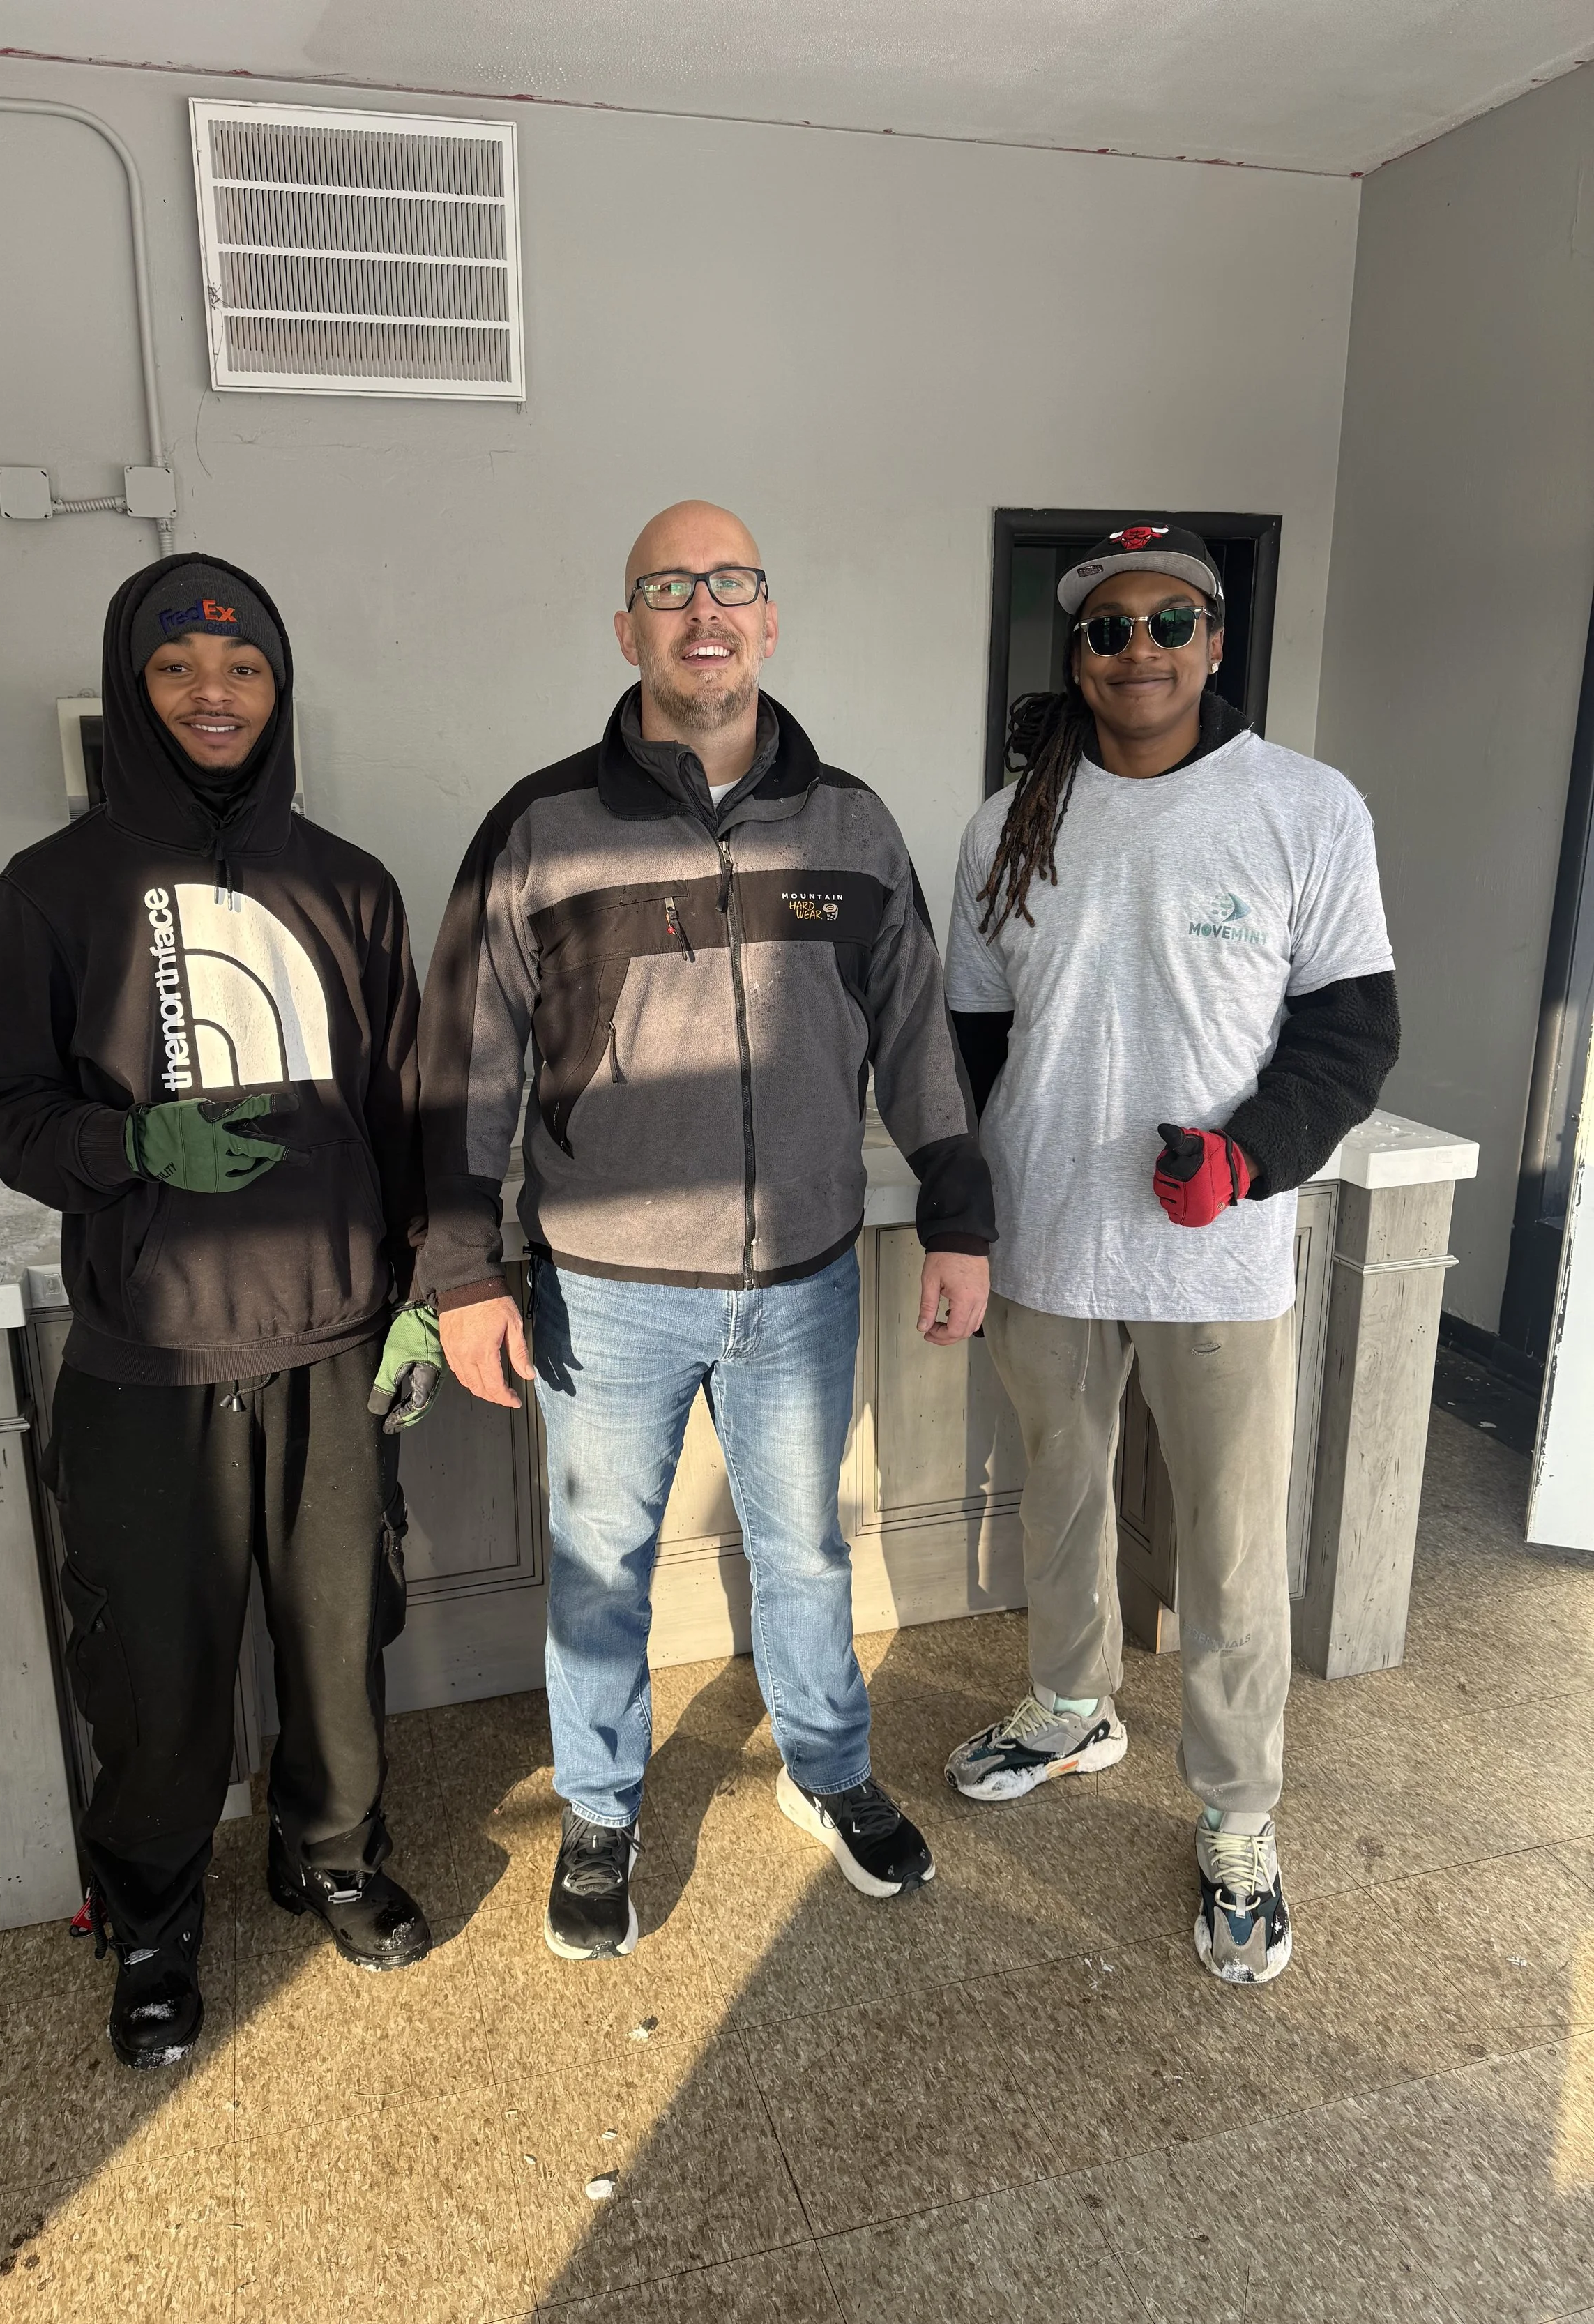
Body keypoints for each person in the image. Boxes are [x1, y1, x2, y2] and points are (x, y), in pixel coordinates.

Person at [416, 501, 994, 1958]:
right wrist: (462, 1268)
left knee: (805, 1551)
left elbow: (916, 1032)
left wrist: (958, 1208)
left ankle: (829, 1770)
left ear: (768, 619)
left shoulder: (851, 824)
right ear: (628, 630)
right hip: (606, 1292)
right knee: (601, 1566)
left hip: (800, 1281)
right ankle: (599, 1812)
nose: (702, 611)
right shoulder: (540, 827)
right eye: (668, 588)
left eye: (729, 583)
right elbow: (463, 1064)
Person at [0, 555, 446, 2069]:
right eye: (177, 668)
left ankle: (330, 1855)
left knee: (338, 1642)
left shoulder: (351, 883)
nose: (212, 694)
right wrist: (128, 1146)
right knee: (152, 1672)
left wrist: (422, 1293)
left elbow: (408, 1111)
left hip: (331, 1342)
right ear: (133, 688)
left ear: (279, 690)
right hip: (149, 1354)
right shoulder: (52, 888)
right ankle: (155, 1916)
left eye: (242, 668)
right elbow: (4, 1106)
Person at [941, 523, 1399, 1984]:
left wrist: (1248, 1155)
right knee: (1060, 1499)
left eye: (1167, 621)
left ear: (1213, 640)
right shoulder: (1006, 824)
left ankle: (1237, 1811)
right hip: (1046, 1242)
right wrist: (980, 1196)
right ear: (1076, 655)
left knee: (1230, 1546)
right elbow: (973, 1041)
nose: (1135, 648)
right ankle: (1071, 1706)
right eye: (1105, 627)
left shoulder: (1303, 806)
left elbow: (1350, 1033)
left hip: (1219, 1256)